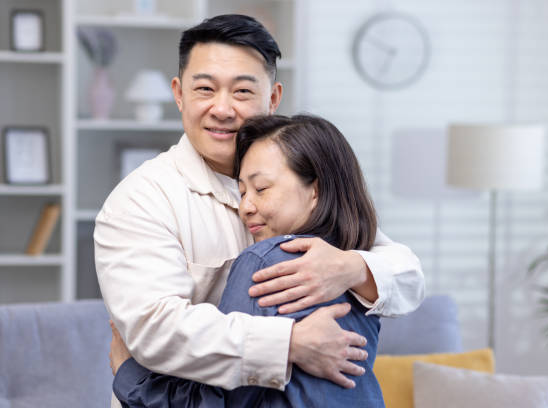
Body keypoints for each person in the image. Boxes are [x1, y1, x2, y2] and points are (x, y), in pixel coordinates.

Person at [94, 14, 424, 405]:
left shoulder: (298, 177)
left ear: (273, 98)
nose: (222, 108)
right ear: (179, 94)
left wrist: (349, 267)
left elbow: (407, 277)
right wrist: (290, 344)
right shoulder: (141, 199)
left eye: (242, 92)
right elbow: (157, 331)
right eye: (205, 89)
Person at [110, 114, 385, 407]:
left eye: (261, 189)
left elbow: (219, 403)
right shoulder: (364, 269)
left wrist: (130, 377)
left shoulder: (266, 262)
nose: (245, 208)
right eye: (242, 192)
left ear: (315, 190)